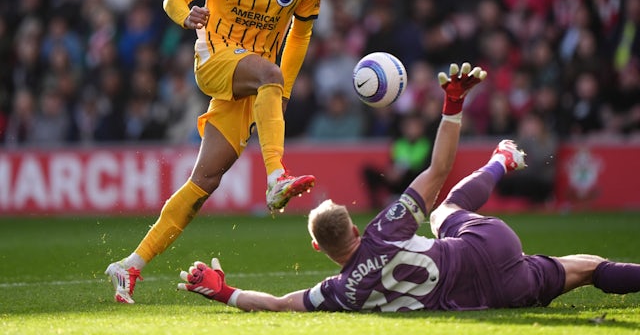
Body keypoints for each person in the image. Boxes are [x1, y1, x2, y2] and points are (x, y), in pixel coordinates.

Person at [176, 62, 640, 312]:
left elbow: (277, 304)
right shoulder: (386, 229)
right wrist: (453, 104)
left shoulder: (341, 293)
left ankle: (502, 159)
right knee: (447, 207)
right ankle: (502, 159)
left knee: (584, 270)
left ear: (319, 248)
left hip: (491, 295)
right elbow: (438, 171)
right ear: (355, 229)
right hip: (487, 247)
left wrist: (223, 291)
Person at [106, 0, 323, 304]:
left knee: (204, 181)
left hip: (254, 82)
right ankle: (277, 176)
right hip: (215, 60)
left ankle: (129, 265)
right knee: (267, 72)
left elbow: (301, 33)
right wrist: (187, 15)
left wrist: (282, 91)